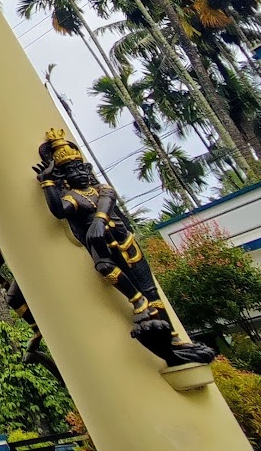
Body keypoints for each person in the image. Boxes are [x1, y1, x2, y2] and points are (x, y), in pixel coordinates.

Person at [34, 129, 213, 368]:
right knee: (105, 267)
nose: (78, 173)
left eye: (80, 168)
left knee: (153, 293)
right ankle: (136, 301)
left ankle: (175, 340)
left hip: (127, 244)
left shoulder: (101, 190)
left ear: (87, 170)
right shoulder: (73, 198)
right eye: (72, 170)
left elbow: (107, 204)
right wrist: (47, 182)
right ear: (64, 176)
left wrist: (98, 221)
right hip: (104, 249)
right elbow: (58, 211)